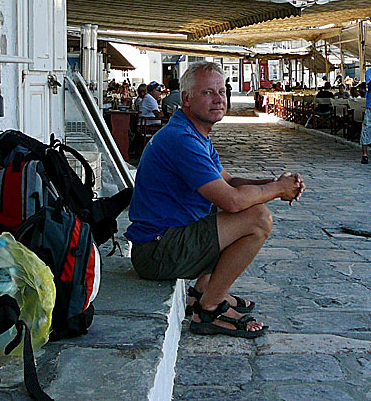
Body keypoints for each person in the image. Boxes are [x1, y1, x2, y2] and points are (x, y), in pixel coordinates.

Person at [125, 62, 305, 338]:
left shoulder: (194, 135)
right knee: (258, 219)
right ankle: (210, 308)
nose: (219, 99)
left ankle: (203, 291)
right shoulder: (181, 140)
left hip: (166, 243)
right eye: (208, 92)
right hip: (157, 251)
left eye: (222, 91)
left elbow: (229, 182)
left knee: (241, 207)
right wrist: (278, 190)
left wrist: (273, 183)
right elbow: (231, 200)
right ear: (187, 98)